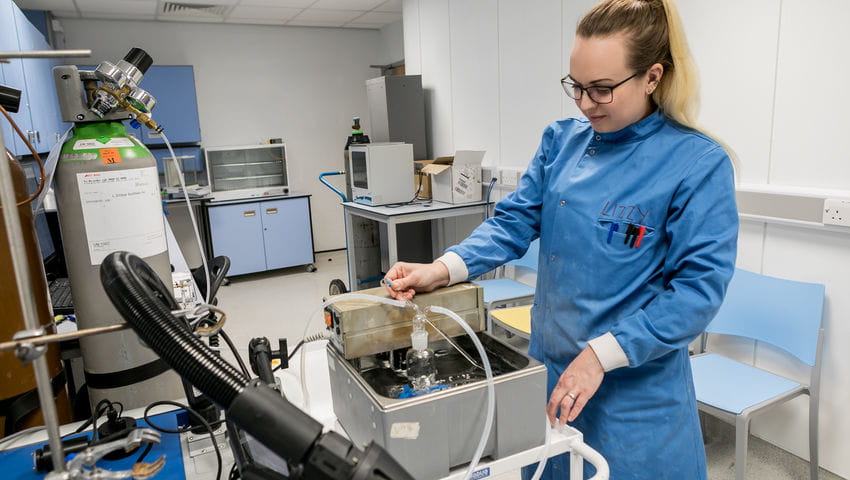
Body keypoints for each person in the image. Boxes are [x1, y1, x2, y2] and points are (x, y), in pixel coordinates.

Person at [384, 0, 738, 478]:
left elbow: (697, 292)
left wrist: (600, 354)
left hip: (635, 396)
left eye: (602, 89)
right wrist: (442, 268)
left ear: (652, 76)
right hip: (551, 373)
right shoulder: (561, 141)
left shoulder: (695, 163)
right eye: (577, 87)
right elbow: (512, 223)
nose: (586, 103)